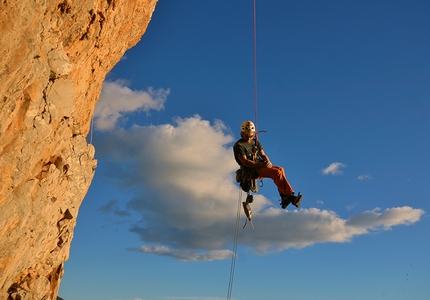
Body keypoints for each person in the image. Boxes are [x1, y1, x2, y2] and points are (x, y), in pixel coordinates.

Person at [233, 120, 303, 208]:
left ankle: (284, 196)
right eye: (246, 136)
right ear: (242, 134)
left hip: (258, 166)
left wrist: (267, 161)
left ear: (253, 134)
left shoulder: (255, 142)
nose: (249, 138)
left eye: (251, 136)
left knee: (280, 169)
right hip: (250, 171)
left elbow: (263, 154)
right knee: (276, 173)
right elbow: (245, 162)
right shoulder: (239, 145)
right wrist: (261, 164)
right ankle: (289, 195)